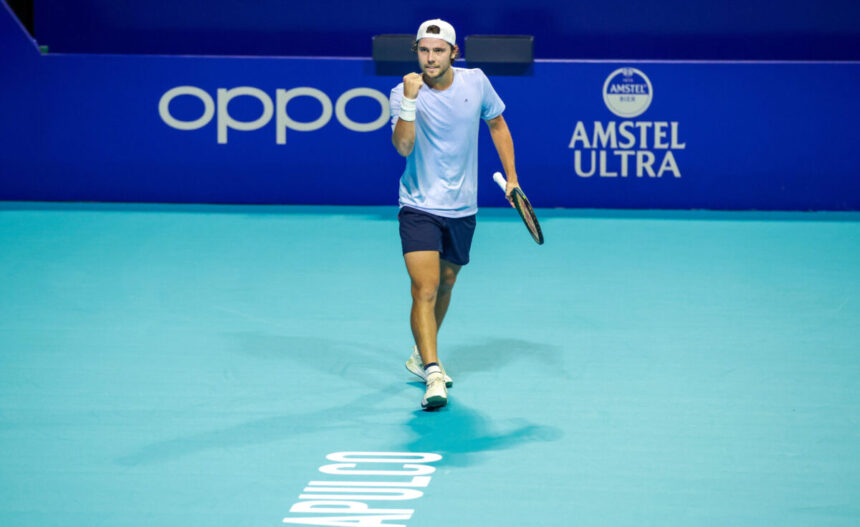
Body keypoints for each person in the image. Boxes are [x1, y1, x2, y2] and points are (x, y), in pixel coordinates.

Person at [389, 19, 520, 409]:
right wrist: (410, 101)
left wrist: (512, 179)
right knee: (425, 288)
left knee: (446, 283)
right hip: (418, 204)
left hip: (462, 206)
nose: (430, 58)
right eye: (424, 50)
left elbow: (497, 124)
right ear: (416, 52)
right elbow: (403, 147)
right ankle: (432, 371)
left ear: (453, 53)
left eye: (438, 50)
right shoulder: (402, 92)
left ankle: (419, 354)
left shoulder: (476, 82)